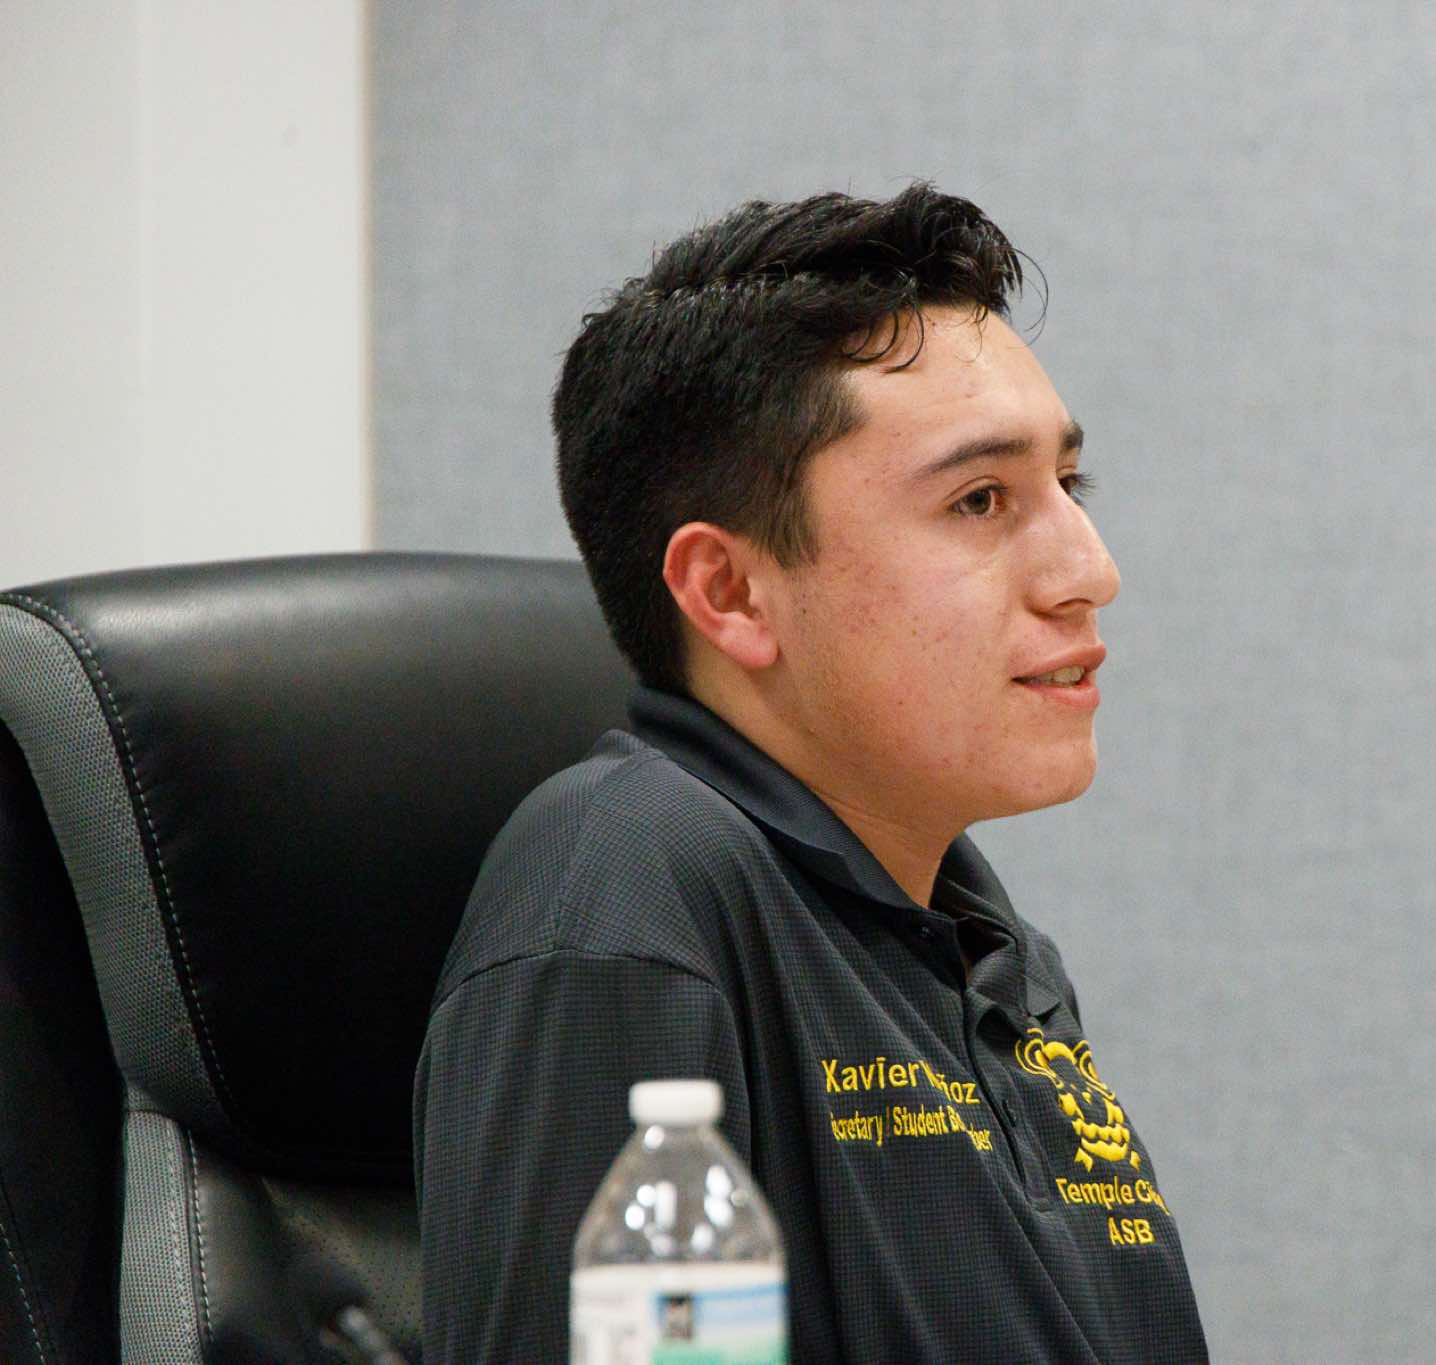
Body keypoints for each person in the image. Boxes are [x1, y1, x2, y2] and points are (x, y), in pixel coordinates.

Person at [413, 183, 1208, 1363]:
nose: (1087, 571)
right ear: (730, 592)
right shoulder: (622, 892)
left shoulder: (989, 947)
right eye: (980, 499)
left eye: (1068, 487)